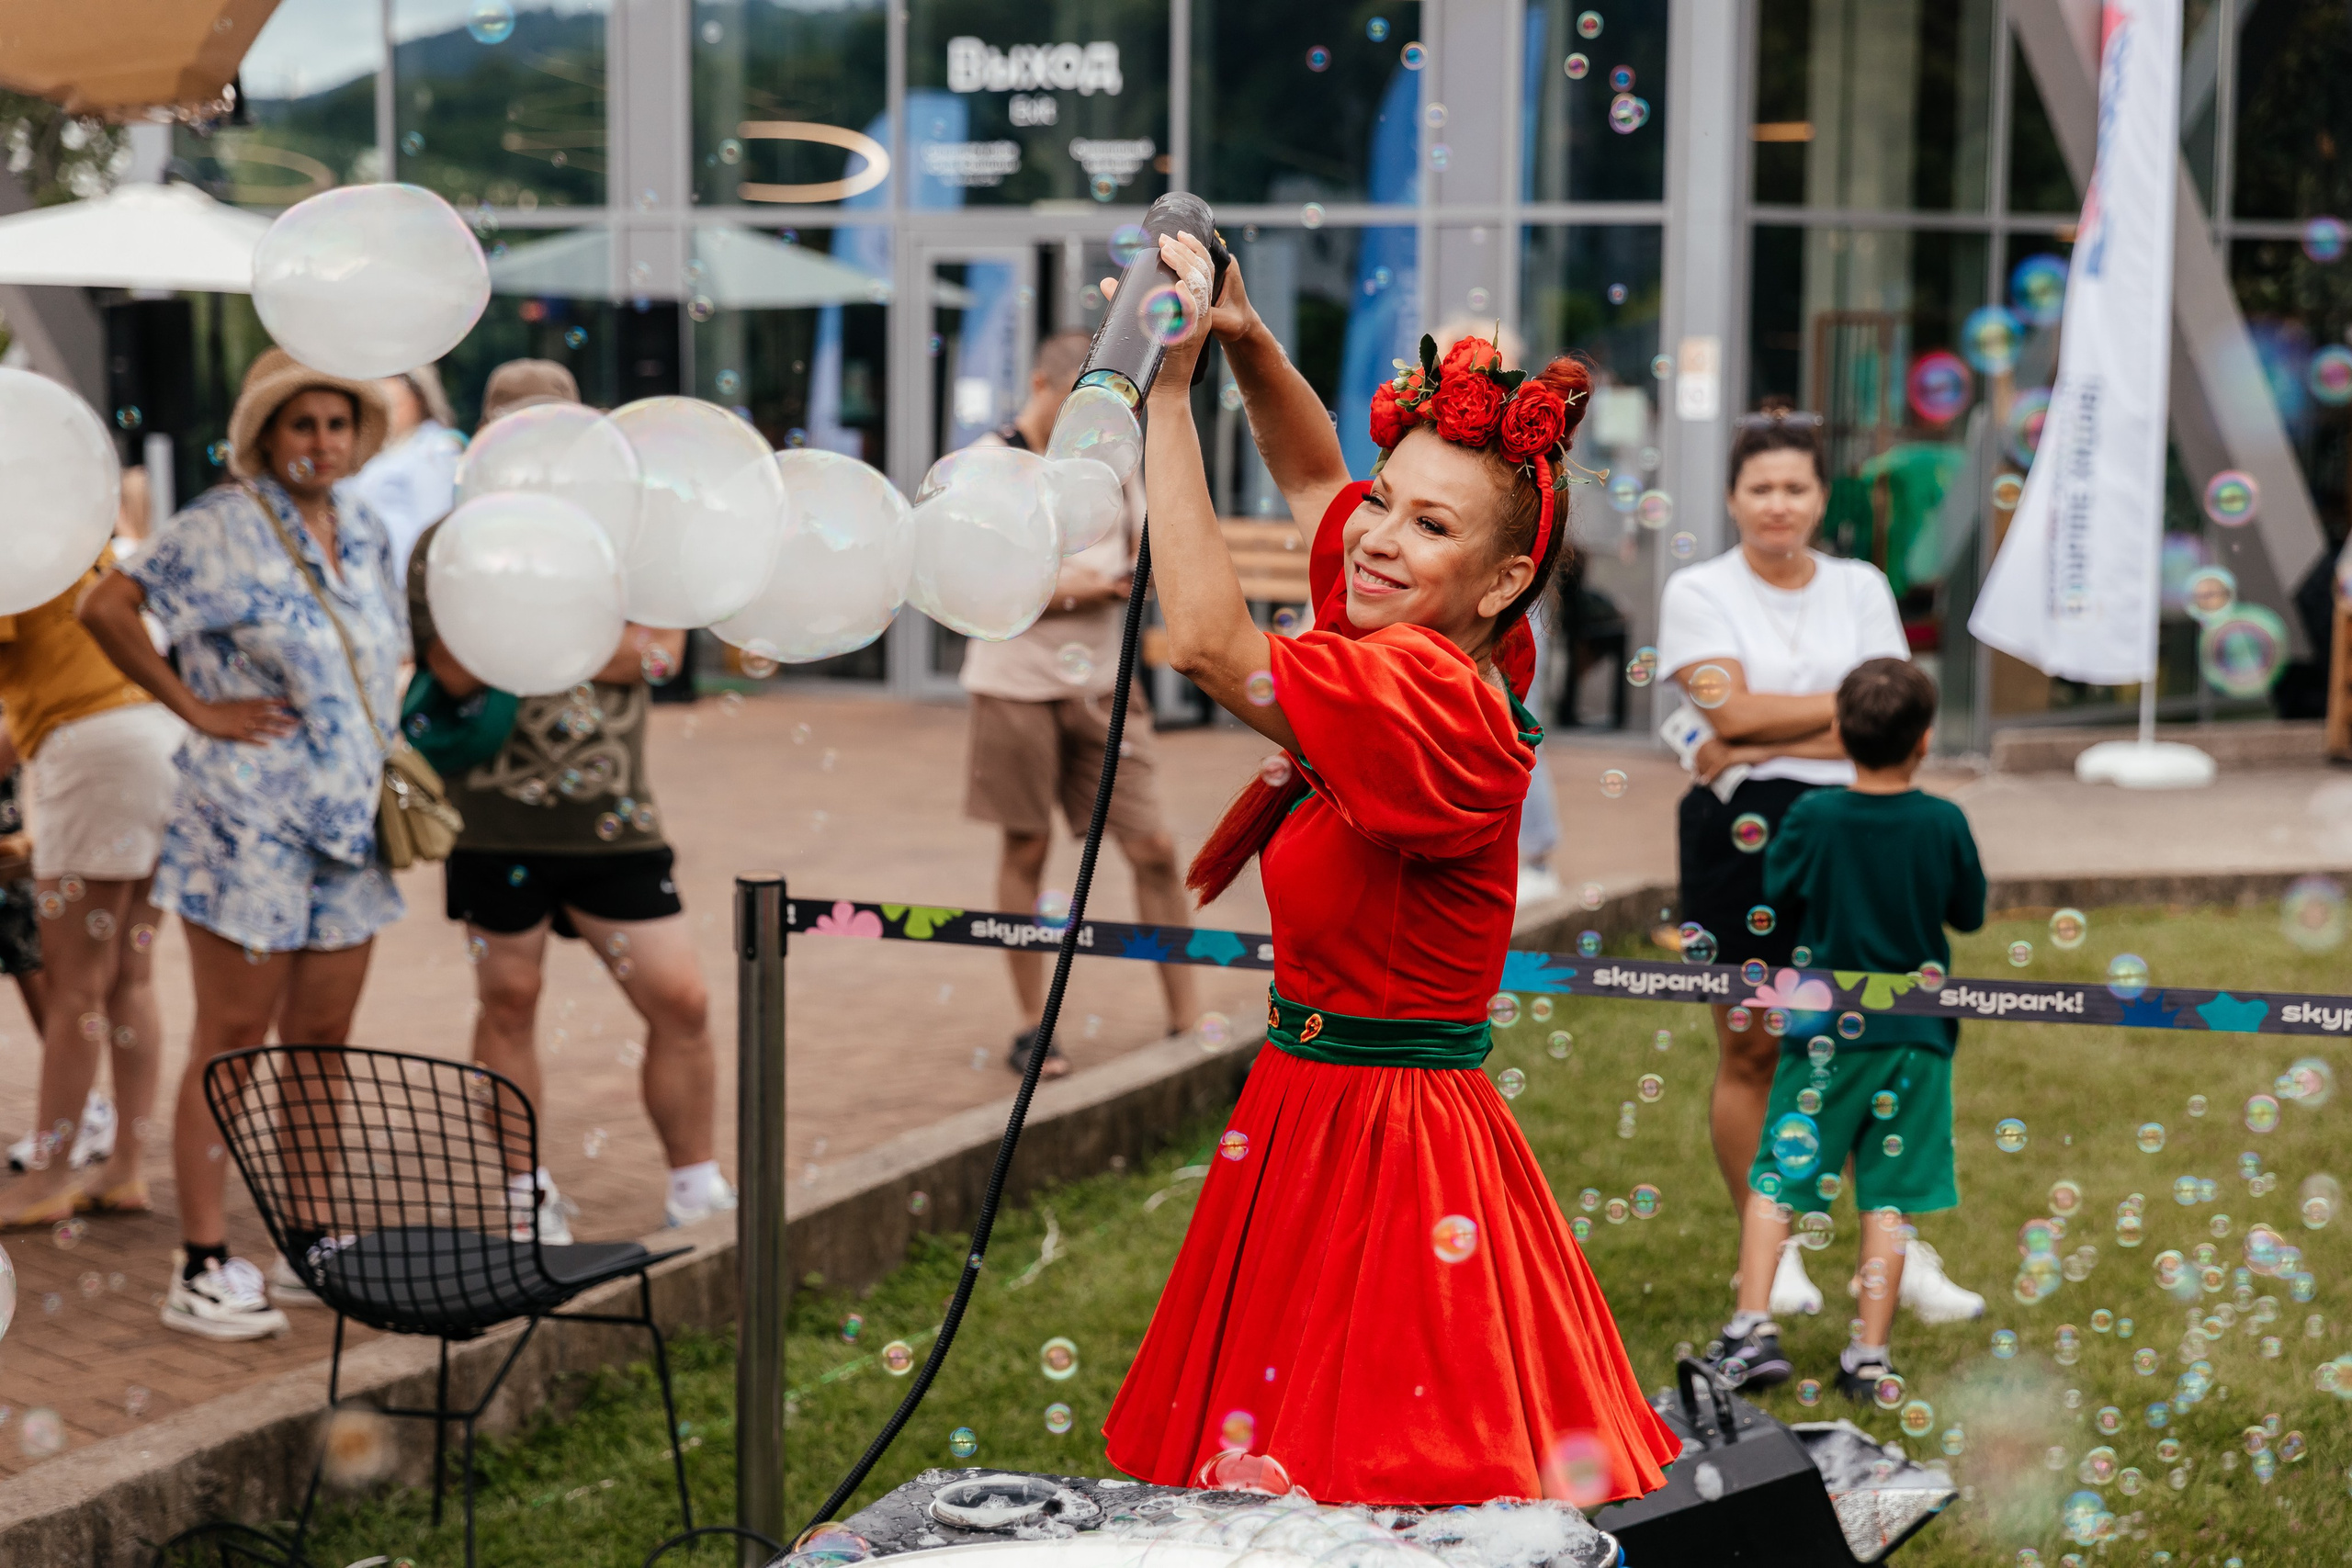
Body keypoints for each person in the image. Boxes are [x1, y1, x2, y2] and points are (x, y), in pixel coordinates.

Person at [1099, 233, 1675, 1506]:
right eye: (1387, 500)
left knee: (1380, 1479)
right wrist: (1247, 337)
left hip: (1388, 1140)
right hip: (1314, 1101)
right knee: (1304, 1472)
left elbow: (1198, 637)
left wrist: (1167, 393)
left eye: (1430, 523)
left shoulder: (1429, 701)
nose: (1376, 534)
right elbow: (1314, 477)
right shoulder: (1435, 638)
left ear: (1506, 580)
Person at [80, 347, 404, 1340]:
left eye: (336, 424)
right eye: (301, 424)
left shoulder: (370, 531)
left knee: (323, 1038)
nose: (320, 442)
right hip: (246, 825)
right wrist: (194, 707)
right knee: (234, 1040)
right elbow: (107, 605)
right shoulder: (219, 526)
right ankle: (203, 1261)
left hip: (349, 828)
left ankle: (307, 1238)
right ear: (266, 435)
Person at [405, 358, 733, 1243]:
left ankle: (695, 1181)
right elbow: (452, 665)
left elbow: (657, 656)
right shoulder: (447, 542)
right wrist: (591, 633)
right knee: (508, 999)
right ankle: (525, 1191)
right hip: (492, 818)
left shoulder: (631, 536)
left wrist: (529, 632)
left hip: (610, 816)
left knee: (684, 1001)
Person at [1654, 409, 1933, 1305]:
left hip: (1861, 827)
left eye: (1796, 487)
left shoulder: (1859, 587)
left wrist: (1759, 727)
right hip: (1738, 838)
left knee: (1874, 1043)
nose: (1778, 504)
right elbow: (1726, 718)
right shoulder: (1697, 591)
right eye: (1760, 487)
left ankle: (1895, 1253)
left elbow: (1896, 725)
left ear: (1821, 498)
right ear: (1734, 498)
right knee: (1752, 1047)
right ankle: (1769, 1253)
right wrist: (1838, 713)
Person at [1708, 659, 1986, 1393]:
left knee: (1780, 1176)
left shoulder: (1813, 817)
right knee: (1887, 1195)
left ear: (1837, 732)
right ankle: (1869, 1354)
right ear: (1924, 740)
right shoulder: (1944, 820)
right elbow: (1971, 911)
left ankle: (1750, 1327)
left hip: (1825, 1032)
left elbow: (1779, 888)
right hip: (1919, 1039)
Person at [962, 328, 1197, 1078]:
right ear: (1038, 387)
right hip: (1014, 686)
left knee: (1154, 846)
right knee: (1025, 848)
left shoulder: (1106, 459)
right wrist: (1089, 587)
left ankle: (1187, 1021)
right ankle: (1035, 1027)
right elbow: (979, 584)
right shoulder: (986, 466)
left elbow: (1141, 546)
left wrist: (1146, 573)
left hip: (1104, 685)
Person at [0, 547, 181, 1227]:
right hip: (157, 748)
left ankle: (48, 1176)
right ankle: (125, 1167)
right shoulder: (79, 543)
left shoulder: (15, 554)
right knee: (130, 972)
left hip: (94, 759)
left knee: (75, 981)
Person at [348, 361, 463, 577]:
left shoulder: (435, 449)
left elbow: (432, 529)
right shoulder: (375, 451)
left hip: (405, 583)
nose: (385, 415)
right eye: (377, 405)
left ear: (419, 400)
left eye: (393, 405)